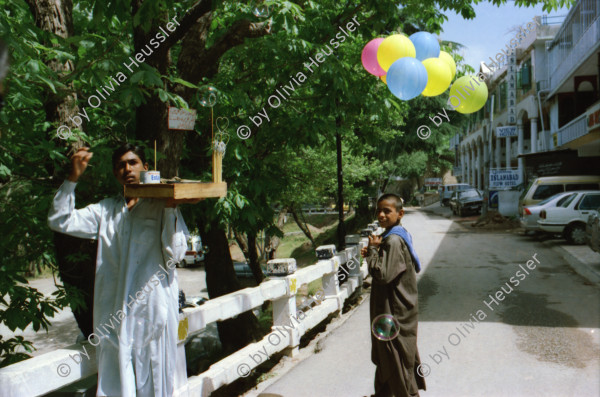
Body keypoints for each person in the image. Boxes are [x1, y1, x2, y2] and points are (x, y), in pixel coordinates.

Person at [48, 143, 197, 396]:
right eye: (121, 165)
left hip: (153, 311)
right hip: (114, 315)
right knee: (118, 384)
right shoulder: (105, 210)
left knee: (157, 380)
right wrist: (73, 177)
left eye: (133, 162)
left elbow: (177, 254)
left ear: (146, 168)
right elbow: (59, 220)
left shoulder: (161, 204)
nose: (127, 168)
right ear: (115, 172)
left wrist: (171, 207)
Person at [361, 193, 426, 397]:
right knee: (391, 359)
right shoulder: (394, 235)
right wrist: (375, 252)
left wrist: (373, 253)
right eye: (378, 210)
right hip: (395, 309)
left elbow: (383, 275)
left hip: (395, 311)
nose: (381, 215)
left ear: (400, 213)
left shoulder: (394, 240)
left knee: (395, 360)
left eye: (387, 211)